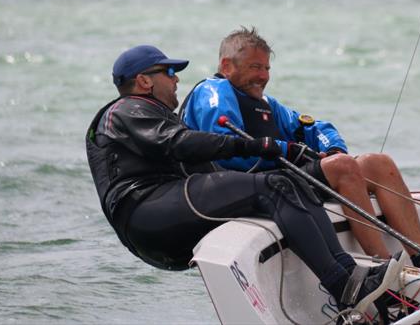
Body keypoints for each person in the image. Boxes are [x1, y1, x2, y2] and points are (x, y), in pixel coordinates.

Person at [85, 44, 403, 314]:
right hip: (146, 212)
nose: (176, 79)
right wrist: (254, 145)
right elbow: (181, 143)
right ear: (143, 81)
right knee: (275, 187)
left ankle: (351, 277)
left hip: (166, 208)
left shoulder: (148, 111)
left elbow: (198, 165)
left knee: (285, 182)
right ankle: (342, 284)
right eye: (168, 73)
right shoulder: (126, 110)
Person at [181, 27, 420, 268]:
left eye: (267, 68)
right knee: (344, 167)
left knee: (377, 163)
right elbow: (226, 146)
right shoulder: (213, 91)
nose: (263, 76)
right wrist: (288, 150)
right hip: (248, 187)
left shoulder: (268, 104)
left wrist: (334, 149)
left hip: (281, 178)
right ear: (226, 66)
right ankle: (382, 263)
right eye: (255, 67)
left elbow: (317, 128)